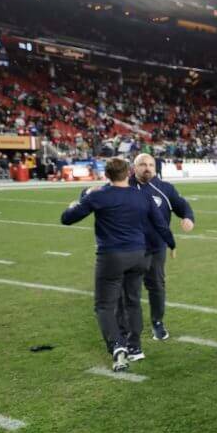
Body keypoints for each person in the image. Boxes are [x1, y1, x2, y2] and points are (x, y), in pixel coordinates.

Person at [60, 157, 175, 372]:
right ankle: (136, 347)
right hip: (139, 255)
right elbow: (160, 223)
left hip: (112, 256)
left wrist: (74, 204)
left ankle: (118, 347)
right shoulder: (142, 196)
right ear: (129, 172)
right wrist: (172, 243)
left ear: (106, 175)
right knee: (132, 301)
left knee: (105, 305)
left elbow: (67, 218)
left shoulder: (99, 195)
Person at [129, 153, 195, 342]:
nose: (147, 168)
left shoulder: (165, 188)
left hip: (156, 247)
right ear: (135, 167)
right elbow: (99, 193)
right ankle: (130, 327)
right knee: (130, 289)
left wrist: (188, 217)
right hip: (129, 248)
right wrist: (84, 196)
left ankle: (157, 322)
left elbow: (183, 206)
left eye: (151, 164)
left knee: (156, 286)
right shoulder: (124, 186)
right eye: (143, 164)